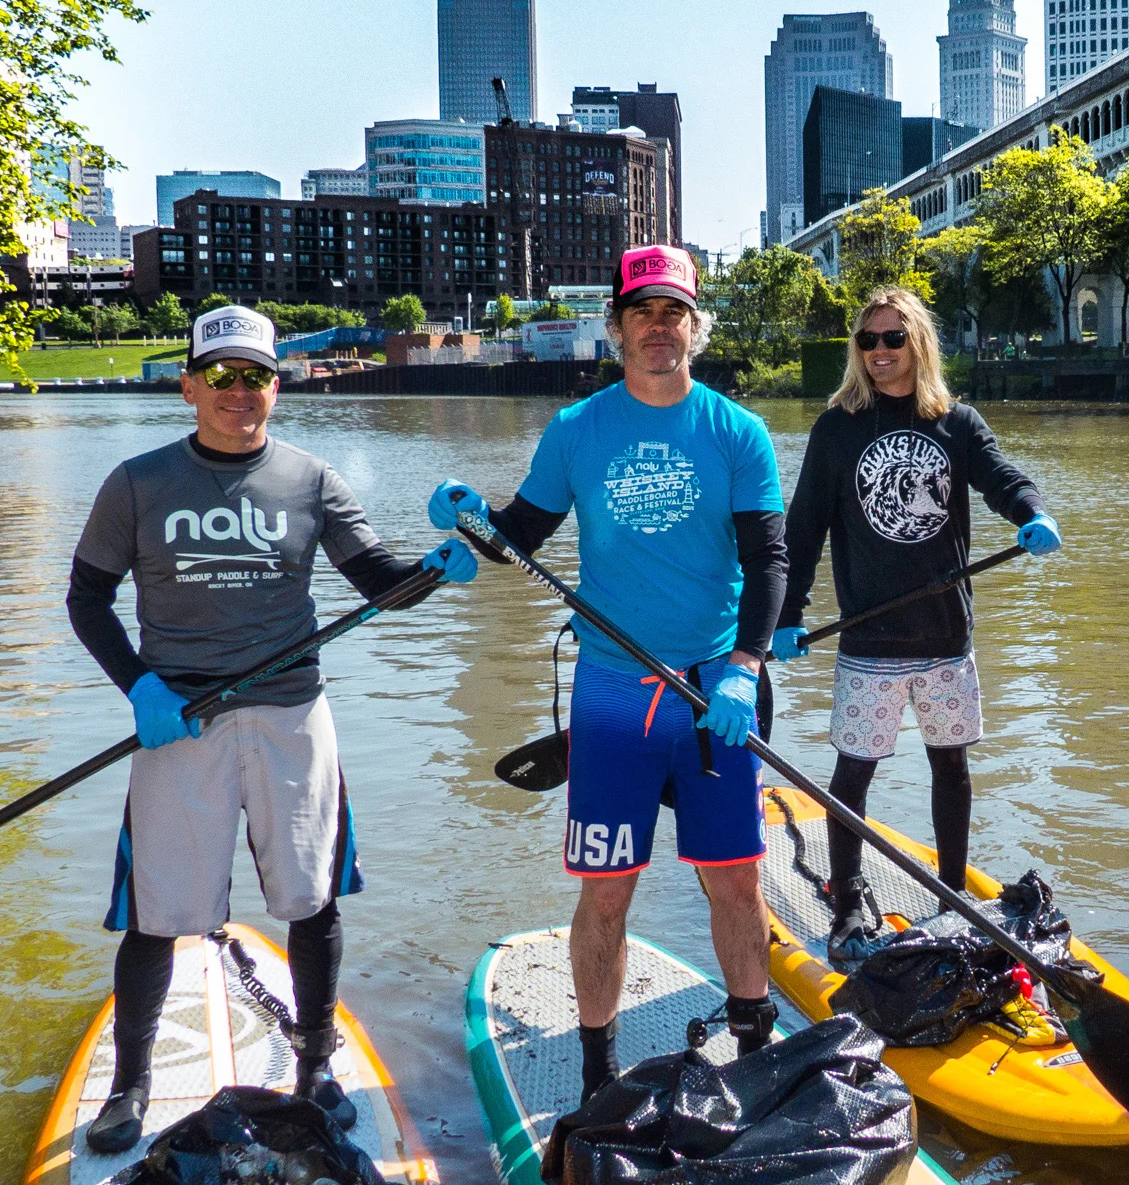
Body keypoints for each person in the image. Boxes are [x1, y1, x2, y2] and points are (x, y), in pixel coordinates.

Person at [67, 305, 475, 1153]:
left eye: (255, 375)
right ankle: (129, 1086)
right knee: (155, 913)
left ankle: (315, 1067)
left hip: (293, 714)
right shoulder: (136, 483)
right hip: (178, 721)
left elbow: (379, 582)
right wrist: (138, 685)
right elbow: (86, 598)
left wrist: (436, 567)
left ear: (276, 387)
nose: (239, 391)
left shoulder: (313, 479)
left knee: (311, 896)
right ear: (188, 386)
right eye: (221, 375)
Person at [427, 245, 786, 1106]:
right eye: (642, 313)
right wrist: (474, 524)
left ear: (695, 327)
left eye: (674, 313)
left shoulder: (738, 430)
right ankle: (598, 1070)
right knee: (607, 889)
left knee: (736, 877)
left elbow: (768, 559)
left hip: (713, 691)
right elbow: (522, 535)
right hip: (614, 690)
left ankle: (756, 1050)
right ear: (616, 327)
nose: (659, 328)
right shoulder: (576, 430)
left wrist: (746, 665)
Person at [771, 288, 1059, 957]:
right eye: (868, 340)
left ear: (918, 343)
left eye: (893, 338)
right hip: (869, 641)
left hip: (943, 639)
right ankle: (846, 899)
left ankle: (952, 893)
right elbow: (804, 527)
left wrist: (1032, 513)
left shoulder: (955, 422)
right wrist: (789, 615)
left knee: (950, 768)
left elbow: (1002, 479)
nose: (879, 352)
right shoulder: (837, 427)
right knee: (852, 773)